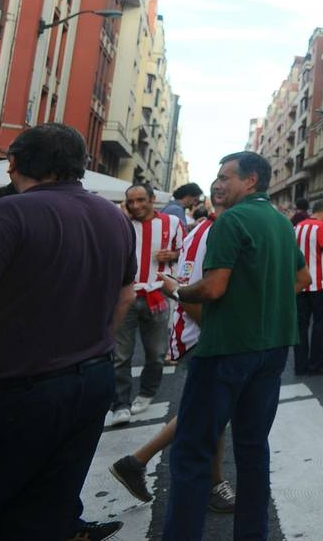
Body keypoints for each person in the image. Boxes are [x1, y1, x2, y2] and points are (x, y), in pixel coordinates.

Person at [0, 123, 135, 541]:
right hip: (92, 377)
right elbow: (125, 298)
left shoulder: (7, 213)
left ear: (13, 163)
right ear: (82, 166)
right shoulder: (114, 216)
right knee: (54, 499)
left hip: (18, 386)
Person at [159, 151, 306, 540]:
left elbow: (212, 287)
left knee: (192, 453)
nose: (217, 184)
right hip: (273, 347)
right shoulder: (281, 222)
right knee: (253, 447)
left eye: (226, 177)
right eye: (217, 177)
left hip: (226, 347)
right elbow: (302, 277)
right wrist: (262, 296)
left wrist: (176, 291)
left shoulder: (231, 221)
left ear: (251, 181)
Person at [111, 190, 237, 514]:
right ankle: (204, 484)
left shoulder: (198, 229)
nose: (136, 207)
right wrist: (215, 335)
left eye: (142, 200)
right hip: (202, 340)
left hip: (202, 335)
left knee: (209, 413)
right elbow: (192, 292)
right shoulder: (211, 233)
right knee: (207, 414)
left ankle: (139, 462)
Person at [110, 182, 185, 425]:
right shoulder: (122, 221)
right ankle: (120, 403)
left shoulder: (172, 222)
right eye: (131, 201)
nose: (136, 205)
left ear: (153, 199)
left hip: (157, 294)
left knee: (156, 353)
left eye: (141, 200)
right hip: (125, 294)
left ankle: (146, 392)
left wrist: (172, 255)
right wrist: (120, 214)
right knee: (120, 355)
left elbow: (184, 252)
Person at [294, 198, 323, 375]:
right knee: (321, 324)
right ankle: (317, 364)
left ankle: (300, 364)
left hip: (300, 283)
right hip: (321, 284)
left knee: (301, 326)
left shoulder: (297, 227)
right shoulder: (322, 227)